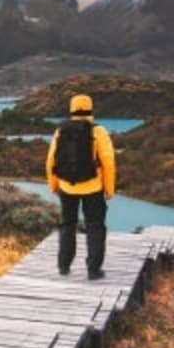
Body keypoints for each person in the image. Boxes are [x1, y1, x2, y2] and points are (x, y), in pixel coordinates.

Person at [46, 93, 117, 279]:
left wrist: (53, 185)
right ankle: (93, 270)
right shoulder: (98, 131)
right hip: (93, 187)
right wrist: (109, 188)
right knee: (95, 226)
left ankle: (63, 265)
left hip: (66, 186)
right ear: (91, 109)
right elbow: (108, 161)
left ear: (71, 109)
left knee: (68, 224)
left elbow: (51, 160)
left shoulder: (60, 130)